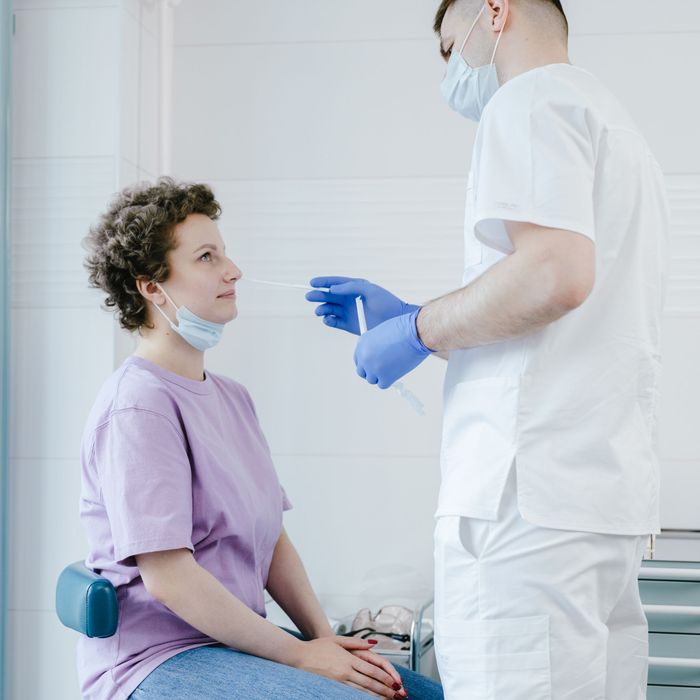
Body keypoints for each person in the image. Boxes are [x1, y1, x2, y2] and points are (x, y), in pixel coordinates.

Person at [306, 0, 669, 698]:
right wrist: (415, 315)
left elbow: (555, 275)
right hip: (598, 503)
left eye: (450, 47)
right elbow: (560, 324)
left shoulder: (527, 99)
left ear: (493, 12)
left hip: (525, 511)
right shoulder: (620, 131)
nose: (452, 70)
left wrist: (415, 331)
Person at [78, 178, 444, 700]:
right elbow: (169, 578)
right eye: (207, 257)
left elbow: (271, 539)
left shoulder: (232, 399)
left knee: (424, 697)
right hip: (159, 659)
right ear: (150, 287)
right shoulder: (138, 406)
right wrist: (298, 654)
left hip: (233, 645)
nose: (233, 271)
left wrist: (325, 639)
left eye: (224, 254)